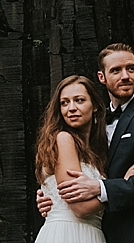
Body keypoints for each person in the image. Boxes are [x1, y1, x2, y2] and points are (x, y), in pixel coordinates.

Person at [37, 43, 134, 242]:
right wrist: (49, 195)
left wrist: (102, 188)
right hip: (93, 232)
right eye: (116, 70)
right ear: (102, 77)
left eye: (131, 69)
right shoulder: (91, 129)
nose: (125, 76)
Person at [32, 75, 110, 242]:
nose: (71, 108)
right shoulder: (63, 139)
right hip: (67, 234)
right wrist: (121, 188)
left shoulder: (95, 150)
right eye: (64, 103)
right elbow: (80, 208)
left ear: (95, 105)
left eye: (79, 100)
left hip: (92, 233)